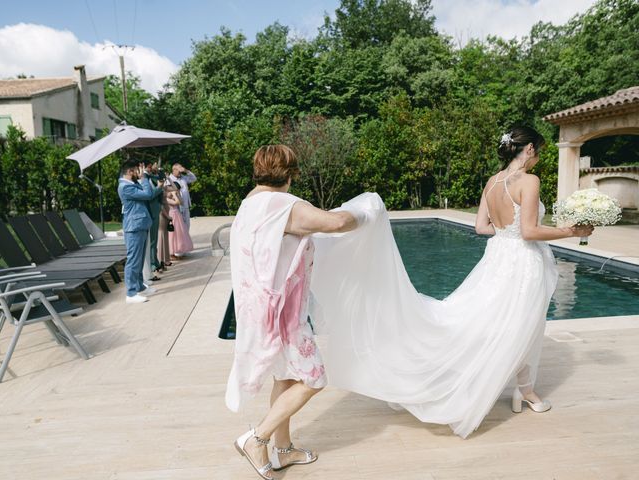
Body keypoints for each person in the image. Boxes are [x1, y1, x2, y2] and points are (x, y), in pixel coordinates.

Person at [308, 126, 594, 439]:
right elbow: (529, 231)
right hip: (523, 262)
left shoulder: (492, 182)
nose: (538, 157)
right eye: (537, 151)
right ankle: (523, 391)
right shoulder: (529, 181)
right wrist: (571, 232)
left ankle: (522, 389)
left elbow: (481, 226)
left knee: (501, 324)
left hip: (497, 258)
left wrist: (505, 233)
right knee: (523, 325)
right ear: (526, 150)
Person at [227, 145, 360, 480]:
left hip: (259, 312)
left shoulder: (249, 205)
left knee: (285, 378)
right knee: (314, 378)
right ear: (289, 173)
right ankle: (256, 438)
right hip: (284, 315)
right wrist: (366, 210)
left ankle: (284, 451)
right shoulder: (283, 206)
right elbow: (337, 222)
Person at [117, 161, 162, 304]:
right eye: (137, 170)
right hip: (134, 227)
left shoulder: (130, 184)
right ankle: (130, 293)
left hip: (140, 224)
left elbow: (146, 193)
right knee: (133, 260)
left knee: (140, 259)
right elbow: (148, 194)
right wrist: (144, 178)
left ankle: (140, 286)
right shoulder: (125, 187)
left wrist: (142, 179)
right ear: (130, 171)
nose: (139, 172)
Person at [167, 182, 193, 258]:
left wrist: (177, 194)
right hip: (171, 215)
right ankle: (171, 253)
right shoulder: (166, 198)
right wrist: (174, 195)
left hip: (177, 215)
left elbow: (181, 202)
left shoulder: (173, 196)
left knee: (179, 233)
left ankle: (179, 250)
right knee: (172, 234)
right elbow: (176, 202)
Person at [168, 163, 196, 234]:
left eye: (181, 169)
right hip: (177, 207)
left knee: (187, 226)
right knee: (179, 227)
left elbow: (194, 178)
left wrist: (186, 171)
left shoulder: (183, 177)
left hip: (186, 206)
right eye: (179, 169)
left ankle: (186, 242)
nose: (180, 171)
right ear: (174, 170)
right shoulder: (169, 179)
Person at [156, 182, 174, 270]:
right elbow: (160, 206)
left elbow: (175, 188)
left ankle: (166, 259)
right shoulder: (158, 190)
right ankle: (160, 259)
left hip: (166, 214)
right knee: (161, 236)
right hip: (162, 215)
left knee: (165, 236)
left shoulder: (164, 188)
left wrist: (169, 179)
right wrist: (167, 216)